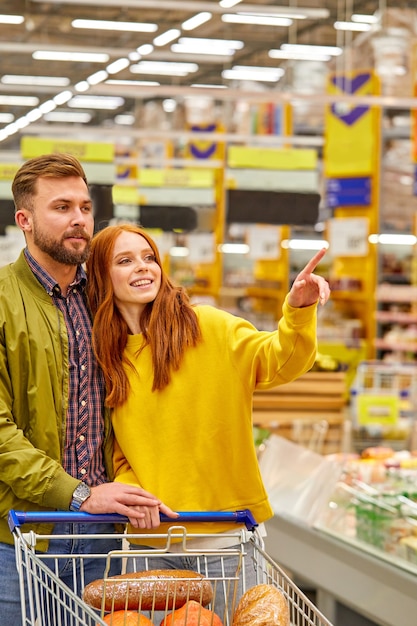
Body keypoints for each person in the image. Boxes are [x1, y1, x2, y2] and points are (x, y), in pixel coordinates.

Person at [86, 222, 330, 619]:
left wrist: (298, 311)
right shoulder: (108, 359)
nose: (143, 268)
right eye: (125, 261)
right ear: (101, 275)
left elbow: (279, 359)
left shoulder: (208, 327)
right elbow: (121, 450)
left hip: (225, 541)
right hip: (151, 545)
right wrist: (134, 494)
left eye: (149, 258)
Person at [0, 154, 177, 625]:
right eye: (61, 207)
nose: (78, 219)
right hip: (20, 536)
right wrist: (78, 494)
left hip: (104, 536)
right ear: (25, 219)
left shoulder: (107, 297)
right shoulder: (2, 301)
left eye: (84, 206)